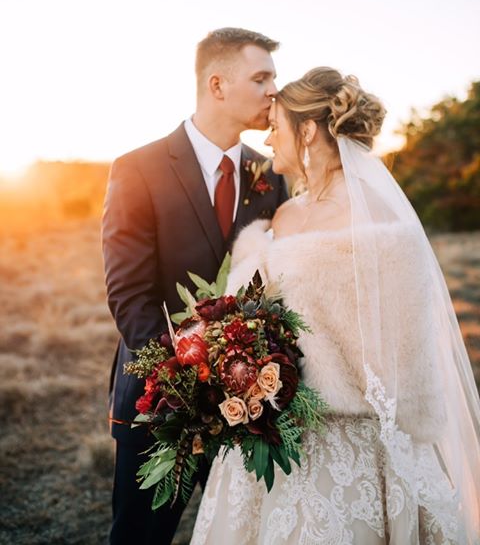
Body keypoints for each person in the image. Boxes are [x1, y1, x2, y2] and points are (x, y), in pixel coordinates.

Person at [191, 67, 480, 545]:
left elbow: (404, 354)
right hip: (274, 434)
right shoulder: (284, 215)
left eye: (276, 127)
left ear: (307, 130)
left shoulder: (382, 222)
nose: (269, 140)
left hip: (356, 449)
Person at [101, 27, 289, 545]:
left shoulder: (273, 175)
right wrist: (190, 382)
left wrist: (247, 377)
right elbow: (130, 297)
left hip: (250, 402)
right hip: (157, 400)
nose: (274, 90)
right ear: (218, 84)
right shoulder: (138, 169)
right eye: (262, 77)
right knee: (140, 535)